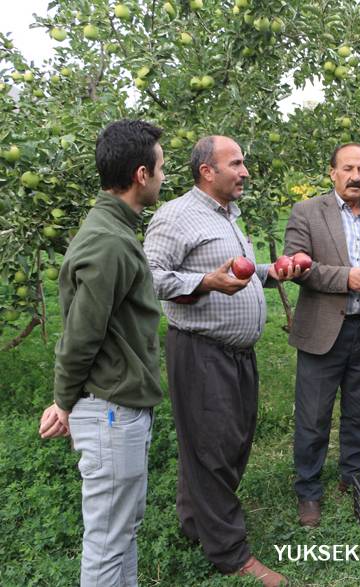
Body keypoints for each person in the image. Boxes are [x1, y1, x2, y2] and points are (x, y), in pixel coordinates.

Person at [143, 135, 293, 586]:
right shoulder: (176, 216)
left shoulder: (228, 215)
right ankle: (231, 554)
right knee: (213, 447)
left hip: (236, 354)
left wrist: (270, 272)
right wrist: (204, 283)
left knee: (228, 443)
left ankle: (196, 522)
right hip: (201, 351)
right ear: (208, 171)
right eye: (237, 163)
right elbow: (147, 279)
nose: (245, 171)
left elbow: (233, 271)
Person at [38, 119, 165, 586]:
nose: (163, 176)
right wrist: (64, 400)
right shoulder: (109, 243)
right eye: (161, 167)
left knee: (123, 532)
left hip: (120, 407)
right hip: (110, 411)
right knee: (108, 545)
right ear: (140, 174)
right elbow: (81, 336)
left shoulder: (111, 230)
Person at [284, 143, 360, 528]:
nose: (356, 176)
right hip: (324, 330)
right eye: (348, 168)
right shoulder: (307, 212)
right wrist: (346, 278)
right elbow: (296, 266)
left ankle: (353, 476)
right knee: (313, 417)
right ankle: (308, 490)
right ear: (332, 172)